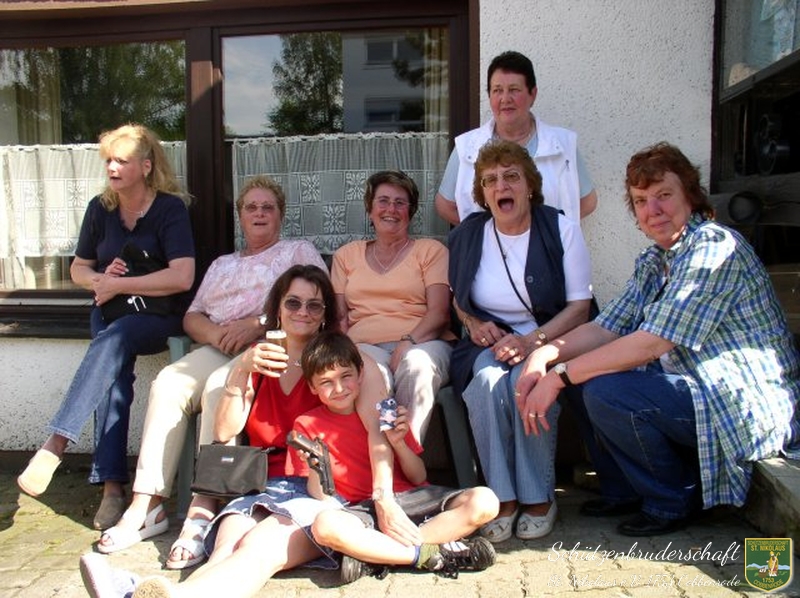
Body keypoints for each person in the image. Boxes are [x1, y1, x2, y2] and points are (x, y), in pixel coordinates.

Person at [516, 142, 800, 537]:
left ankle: (673, 500)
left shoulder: (714, 247)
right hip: (694, 388)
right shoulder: (655, 261)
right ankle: (624, 490)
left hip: (740, 401)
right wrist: (542, 354)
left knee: (604, 389)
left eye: (664, 195)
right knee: (585, 378)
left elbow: (652, 343)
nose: (653, 210)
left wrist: (558, 375)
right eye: (641, 201)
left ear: (690, 196)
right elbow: (605, 328)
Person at [79, 265, 409, 598]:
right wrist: (240, 370)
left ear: (325, 314)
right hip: (267, 486)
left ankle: (155, 594)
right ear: (277, 309)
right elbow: (225, 431)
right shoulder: (259, 360)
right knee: (225, 549)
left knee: (256, 550)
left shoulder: (346, 365)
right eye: (293, 303)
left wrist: (384, 500)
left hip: (324, 491)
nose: (303, 312)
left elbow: (378, 434)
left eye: (314, 305)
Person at [96, 176, 326, 562]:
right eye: (251, 207)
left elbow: (318, 300)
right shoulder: (222, 264)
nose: (259, 214)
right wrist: (217, 334)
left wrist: (257, 325)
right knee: (168, 383)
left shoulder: (296, 252)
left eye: (267, 207)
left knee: (221, 385)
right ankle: (146, 504)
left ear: (281, 216)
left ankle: (203, 509)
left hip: (267, 345)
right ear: (240, 216)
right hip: (217, 343)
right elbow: (192, 316)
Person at [17, 123, 195, 531]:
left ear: (146, 167)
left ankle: (57, 443)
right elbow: (79, 268)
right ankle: (112, 488)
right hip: (111, 310)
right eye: (109, 161)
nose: (112, 168)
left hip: (158, 316)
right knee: (113, 375)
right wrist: (100, 280)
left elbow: (182, 276)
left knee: (115, 338)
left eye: (122, 161)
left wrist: (120, 284)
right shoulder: (100, 209)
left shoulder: (170, 209)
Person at [448, 140, 593, 542]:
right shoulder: (467, 235)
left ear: (529, 185)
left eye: (511, 176)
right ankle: (502, 498)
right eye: (490, 180)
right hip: (490, 341)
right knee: (485, 383)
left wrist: (532, 342)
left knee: (524, 382)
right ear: (483, 194)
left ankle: (537, 497)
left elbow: (580, 308)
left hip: (552, 335)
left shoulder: (561, 228)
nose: (501, 186)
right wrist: (474, 324)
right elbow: (457, 299)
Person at [292, 331, 499, 585]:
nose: (339, 388)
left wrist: (399, 443)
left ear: (360, 373)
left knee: (485, 501)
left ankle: (375, 555)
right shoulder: (307, 425)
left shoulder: (383, 413)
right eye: (326, 382)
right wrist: (316, 467)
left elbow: (418, 476)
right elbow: (322, 497)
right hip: (361, 509)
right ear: (312, 387)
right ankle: (427, 553)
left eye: (346, 376)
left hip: (412, 499)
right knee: (324, 526)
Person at [331, 170, 454, 442]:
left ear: (411, 212)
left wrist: (408, 342)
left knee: (416, 366)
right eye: (383, 201)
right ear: (370, 208)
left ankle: (407, 453)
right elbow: (340, 319)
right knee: (365, 372)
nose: (391, 209)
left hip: (423, 342)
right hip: (365, 345)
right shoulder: (346, 256)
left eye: (400, 203)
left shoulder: (430, 251)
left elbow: (439, 313)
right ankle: (379, 457)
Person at [435, 50, 597, 226]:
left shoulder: (563, 144)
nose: (505, 99)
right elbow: (445, 206)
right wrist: (485, 233)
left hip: (549, 244)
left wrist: (549, 231)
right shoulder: (466, 147)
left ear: (532, 94)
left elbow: (587, 202)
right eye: (497, 90)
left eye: (514, 90)